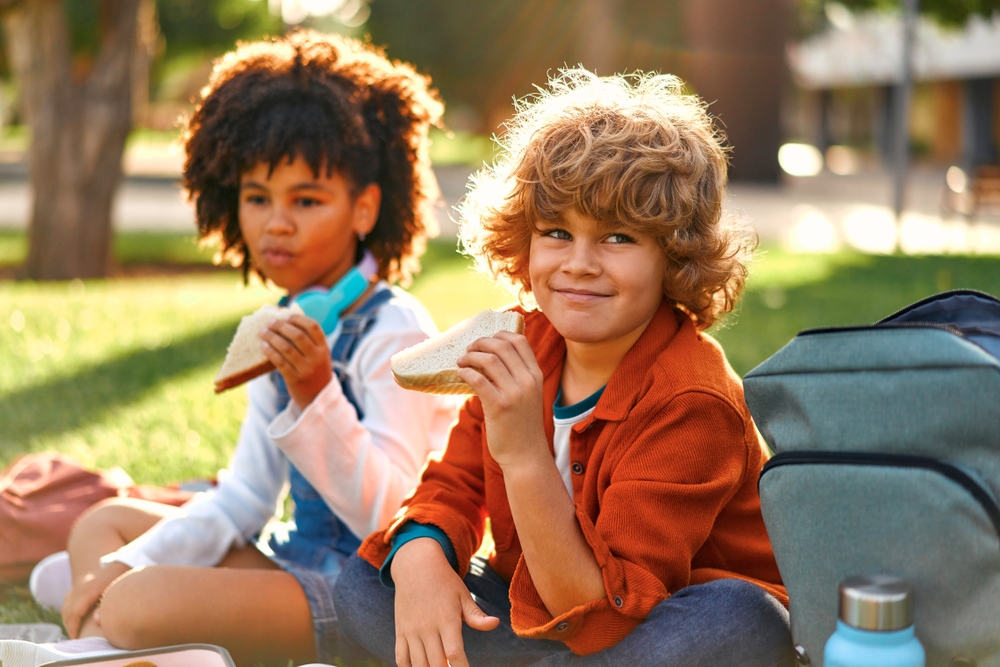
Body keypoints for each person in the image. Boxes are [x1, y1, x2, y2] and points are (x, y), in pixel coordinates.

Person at [333, 68, 794, 667]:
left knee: (744, 619)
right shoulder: (519, 343)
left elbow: (603, 616)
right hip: (541, 615)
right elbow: (454, 485)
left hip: (653, 624)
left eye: (618, 238)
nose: (578, 264)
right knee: (369, 584)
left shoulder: (691, 400)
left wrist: (525, 453)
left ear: (675, 256)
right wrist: (422, 555)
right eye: (555, 232)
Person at [32, 31, 456, 667]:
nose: (275, 223)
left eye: (306, 200)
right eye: (257, 198)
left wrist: (316, 390)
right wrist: (128, 561)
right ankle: (122, 630)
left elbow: (390, 514)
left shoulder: (394, 329)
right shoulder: (279, 322)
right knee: (102, 531)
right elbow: (243, 499)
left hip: (368, 590)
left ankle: (116, 632)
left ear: (365, 207)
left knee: (129, 602)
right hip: (291, 561)